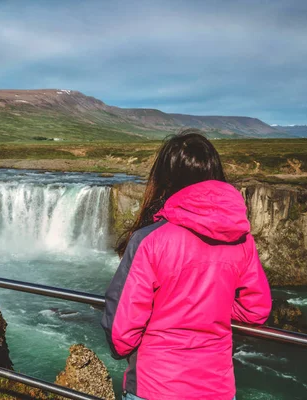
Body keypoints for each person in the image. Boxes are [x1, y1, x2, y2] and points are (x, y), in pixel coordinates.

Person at [101, 129, 272, 400]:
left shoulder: (150, 239)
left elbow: (122, 333)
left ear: (165, 179)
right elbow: (256, 310)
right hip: (217, 388)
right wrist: (211, 305)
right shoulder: (241, 239)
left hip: (156, 386)